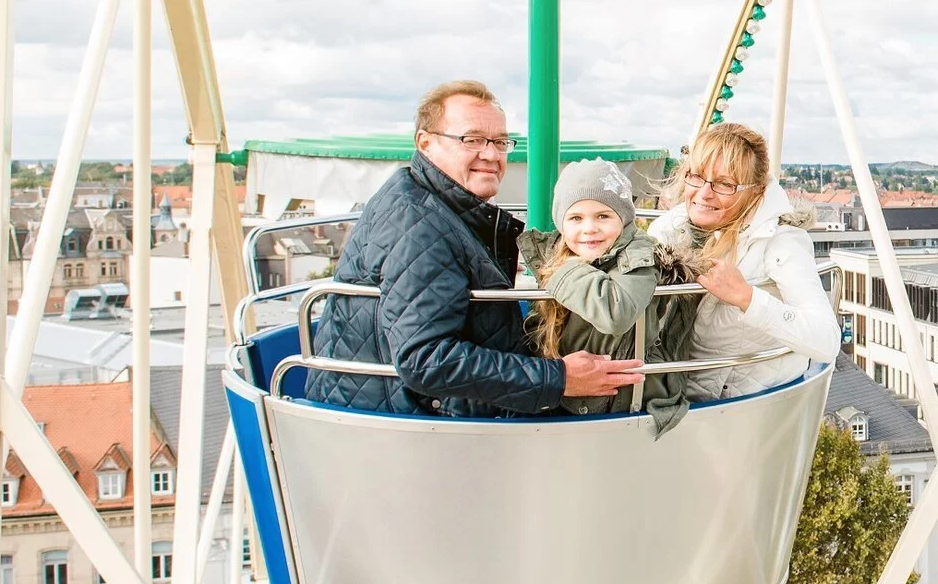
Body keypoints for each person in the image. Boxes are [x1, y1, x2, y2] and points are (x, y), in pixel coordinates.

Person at [307, 82, 642, 415]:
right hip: (405, 425)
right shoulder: (418, 224)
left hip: (399, 409)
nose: (491, 155)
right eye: (472, 140)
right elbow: (424, 359)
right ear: (426, 143)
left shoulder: (438, 205)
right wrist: (558, 379)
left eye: (499, 142)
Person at [647, 124, 838, 397]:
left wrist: (747, 297)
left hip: (742, 407)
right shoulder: (668, 228)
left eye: (725, 184)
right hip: (673, 390)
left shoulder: (780, 242)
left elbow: (826, 340)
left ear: (756, 191)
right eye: (697, 177)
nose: (704, 193)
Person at [520, 159, 696, 426]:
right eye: (576, 218)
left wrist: (561, 272)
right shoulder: (564, 256)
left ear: (623, 219)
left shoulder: (638, 257)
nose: (589, 227)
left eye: (603, 216)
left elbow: (616, 313)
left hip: (623, 405)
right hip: (574, 397)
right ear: (561, 224)